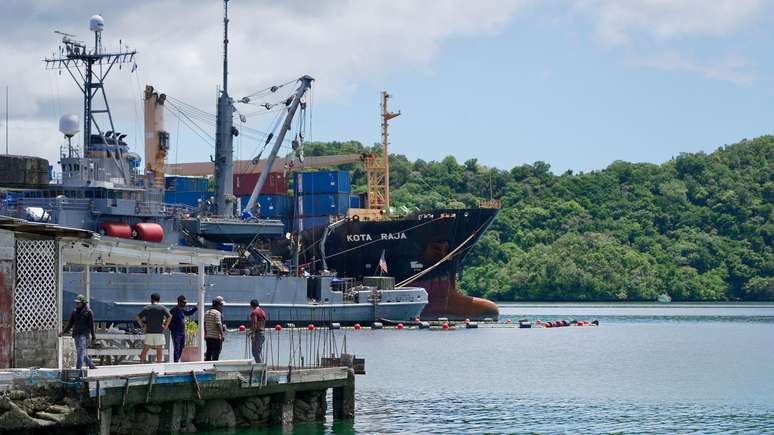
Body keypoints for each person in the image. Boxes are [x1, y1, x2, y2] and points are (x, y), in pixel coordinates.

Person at [59, 294, 96, 370]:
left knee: (80, 352)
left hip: (84, 335)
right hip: (76, 335)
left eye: (78, 303)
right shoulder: (74, 312)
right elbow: (70, 324)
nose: (77, 304)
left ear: (83, 303)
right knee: (82, 352)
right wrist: (63, 332)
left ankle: (78, 369)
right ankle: (91, 365)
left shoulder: (88, 312)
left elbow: (91, 326)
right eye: (76, 303)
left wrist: (93, 337)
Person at [136, 293, 171, 363]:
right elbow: (170, 316)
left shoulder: (147, 308)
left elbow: (137, 317)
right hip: (159, 332)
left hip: (149, 331)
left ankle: (141, 364)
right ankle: (159, 365)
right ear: (159, 299)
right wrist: (166, 326)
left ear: (151, 299)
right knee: (159, 349)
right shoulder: (162, 308)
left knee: (146, 349)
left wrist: (143, 325)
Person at [169, 295, 197, 363]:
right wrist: (172, 329)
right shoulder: (173, 310)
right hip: (176, 332)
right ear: (178, 302)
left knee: (182, 347)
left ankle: (177, 360)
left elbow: (188, 313)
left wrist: (195, 308)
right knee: (177, 347)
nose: (184, 304)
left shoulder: (181, 310)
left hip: (182, 332)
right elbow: (168, 320)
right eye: (183, 302)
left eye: (185, 302)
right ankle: (175, 362)